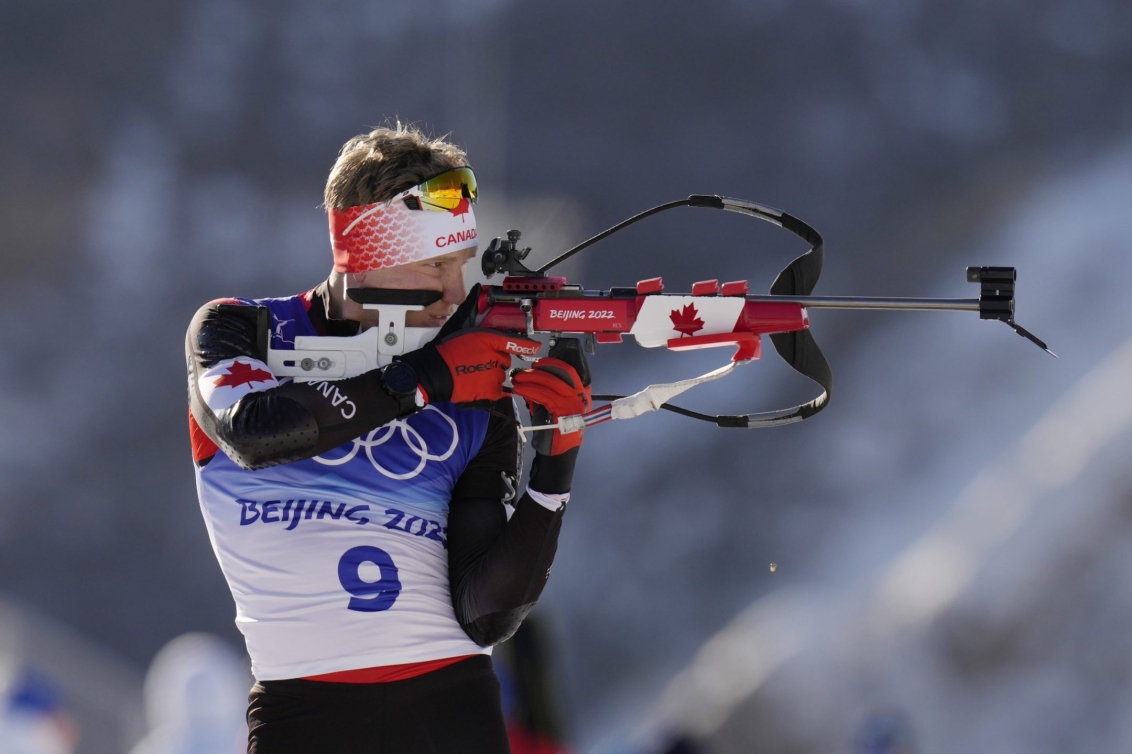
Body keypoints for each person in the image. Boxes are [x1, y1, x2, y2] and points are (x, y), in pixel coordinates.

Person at [185, 123, 591, 753]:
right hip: (302, 715)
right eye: (436, 266)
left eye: (461, 265)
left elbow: (486, 612)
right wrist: (424, 380)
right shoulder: (243, 331)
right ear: (369, 254)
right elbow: (255, 430)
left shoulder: (470, 377)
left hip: (452, 707)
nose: (455, 295)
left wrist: (556, 463)